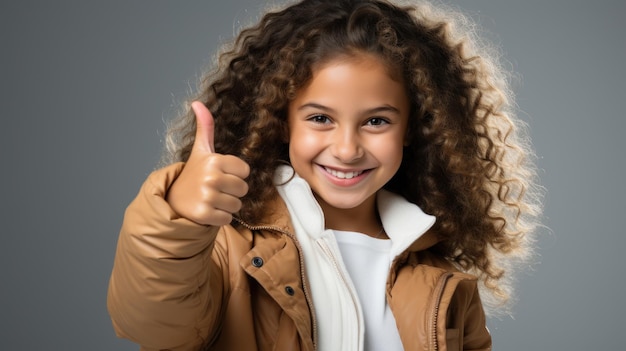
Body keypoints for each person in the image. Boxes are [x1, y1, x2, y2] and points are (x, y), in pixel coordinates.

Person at [107, 0, 542, 350]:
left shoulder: (441, 278)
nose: (348, 149)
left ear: (413, 128)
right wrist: (180, 218)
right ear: (282, 122)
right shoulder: (228, 244)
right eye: (320, 118)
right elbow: (149, 323)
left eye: (376, 122)